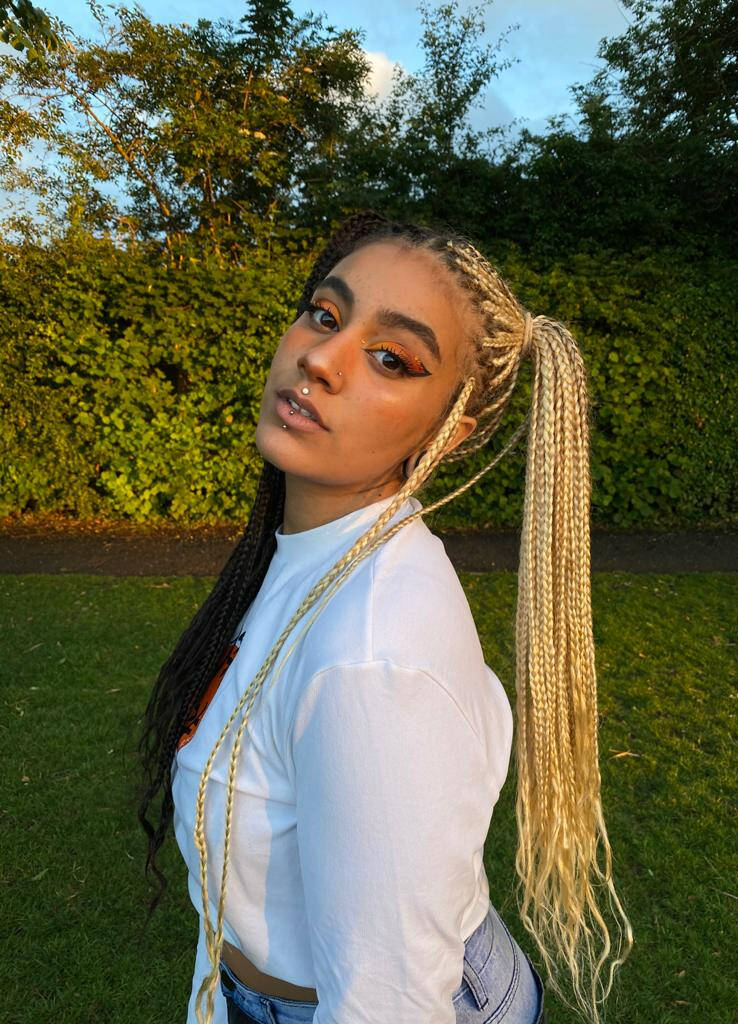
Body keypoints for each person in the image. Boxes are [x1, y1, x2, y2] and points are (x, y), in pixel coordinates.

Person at [137, 211, 634, 1024]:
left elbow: (390, 1002)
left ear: (449, 429)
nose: (320, 358)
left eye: (391, 359)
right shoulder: (307, 557)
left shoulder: (373, 656)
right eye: (325, 315)